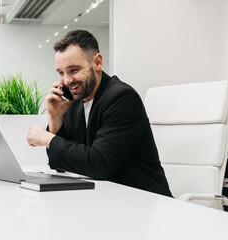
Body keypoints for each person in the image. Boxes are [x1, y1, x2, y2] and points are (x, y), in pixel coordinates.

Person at [27, 30, 172, 197]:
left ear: (97, 62)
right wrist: (55, 118)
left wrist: (45, 138)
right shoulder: (74, 102)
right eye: (61, 72)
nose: (66, 80)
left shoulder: (121, 98)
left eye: (73, 70)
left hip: (145, 200)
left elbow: (99, 165)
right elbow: (58, 163)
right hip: (107, 199)